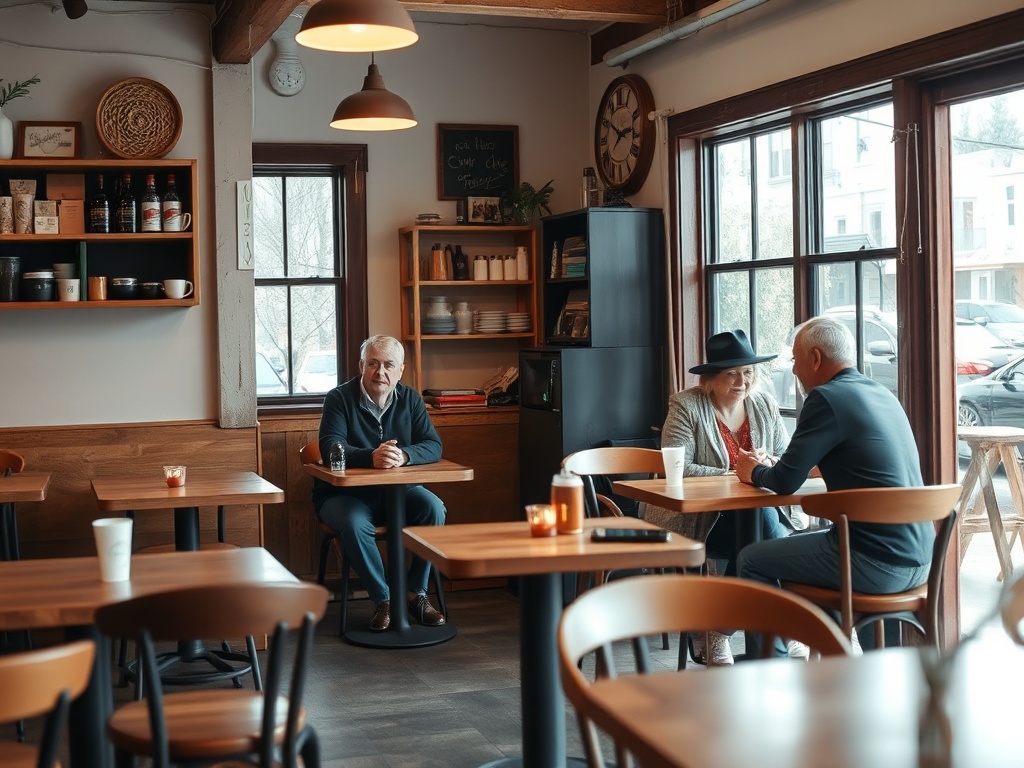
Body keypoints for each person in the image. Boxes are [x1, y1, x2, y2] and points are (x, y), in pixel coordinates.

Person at [736, 316, 932, 652]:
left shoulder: (825, 398)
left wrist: (751, 471)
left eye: (796, 360)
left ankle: (769, 669)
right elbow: (866, 464)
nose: (794, 371)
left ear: (815, 358)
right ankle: (877, 672)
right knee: (807, 542)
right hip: (921, 558)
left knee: (751, 559)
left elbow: (783, 481)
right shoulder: (881, 392)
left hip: (875, 562)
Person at [643, 329, 793, 665]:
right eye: (732, 374)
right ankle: (780, 633)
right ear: (712, 378)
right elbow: (679, 466)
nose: (742, 381)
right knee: (770, 537)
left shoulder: (763, 403)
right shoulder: (686, 404)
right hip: (704, 517)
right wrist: (737, 475)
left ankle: (718, 630)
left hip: (751, 513)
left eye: (748, 373)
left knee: (760, 535)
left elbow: (785, 456)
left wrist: (767, 464)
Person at [313, 335, 447, 632]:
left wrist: (404, 455)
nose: (380, 372)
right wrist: (369, 457)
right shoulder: (338, 398)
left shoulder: (410, 398)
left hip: (399, 492)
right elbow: (330, 448)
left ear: (401, 370)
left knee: (434, 508)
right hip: (345, 497)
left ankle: (416, 593)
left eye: (388, 365)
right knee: (354, 522)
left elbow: (433, 446)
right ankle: (383, 599)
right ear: (362, 365)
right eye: (373, 364)